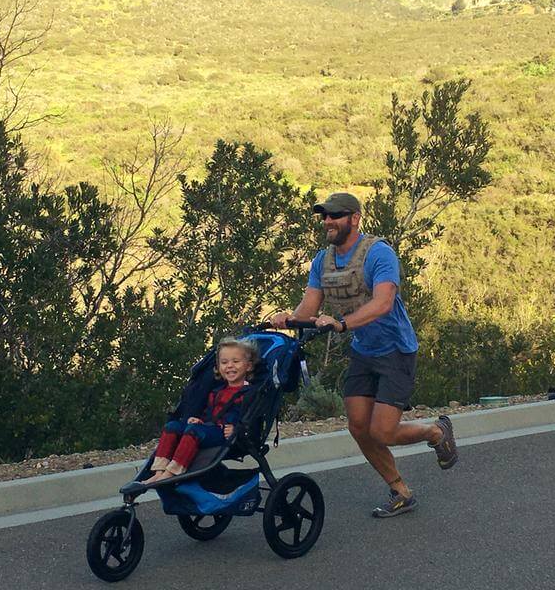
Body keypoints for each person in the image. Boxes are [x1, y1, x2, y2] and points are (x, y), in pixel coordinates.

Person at [270, 191, 458, 517]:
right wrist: (288, 319)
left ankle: (436, 432)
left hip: (396, 350)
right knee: (358, 427)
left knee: (382, 432)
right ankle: (400, 490)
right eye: (325, 216)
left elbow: (383, 303)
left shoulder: (378, 253)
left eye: (335, 215)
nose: (328, 221)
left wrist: (342, 324)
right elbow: (309, 307)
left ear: (354, 218)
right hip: (364, 351)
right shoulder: (322, 261)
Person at [144, 337, 259, 484]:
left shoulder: (249, 393)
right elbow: (210, 413)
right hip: (210, 428)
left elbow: (250, 418)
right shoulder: (216, 391)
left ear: (248, 366)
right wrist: (201, 420)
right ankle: (159, 471)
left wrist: (237, 429)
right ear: (218, 367)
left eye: (235, 362)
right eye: (224, 363)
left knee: (194, 431)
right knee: (172, 426)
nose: (230, 366)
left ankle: (172, 472)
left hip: (225, 434)